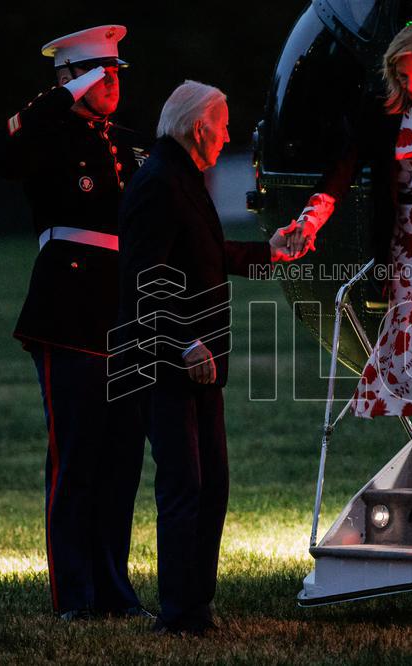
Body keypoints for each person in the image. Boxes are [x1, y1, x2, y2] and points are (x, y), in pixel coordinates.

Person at [285, 22, 412, 524]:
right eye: (401, 74)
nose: (410, 83)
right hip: (404, 247)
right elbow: (342, 170)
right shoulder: (380, 115)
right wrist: (310, 220)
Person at [115, 80, 293, 635]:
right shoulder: (160, 183)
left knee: (211, 483)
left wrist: (274, 254)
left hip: (199, 365)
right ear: (199, 129)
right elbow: (141, 282)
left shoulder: (181, 178)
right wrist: (182, 342)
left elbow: (209, 256)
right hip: (168, 365)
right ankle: (181, 612)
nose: (229, 134)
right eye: (223, 123)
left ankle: (196, 604)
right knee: (186, 486)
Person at [0, 25, 150, 621]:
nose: (112, 84)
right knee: (76, 454)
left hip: (128, 308)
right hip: (69, 306)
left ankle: (114, 590)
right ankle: (74, 595)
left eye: (115, 74)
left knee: (123, 458)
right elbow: (3, 155)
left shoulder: (134, 145)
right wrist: (61, 94)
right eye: (98, 74)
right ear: (70, 79)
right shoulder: (47, 137)